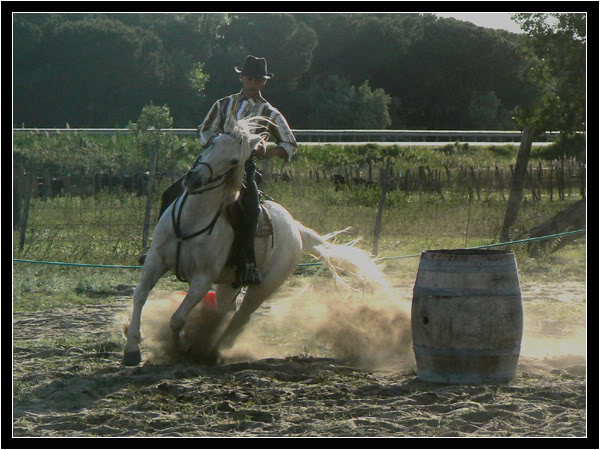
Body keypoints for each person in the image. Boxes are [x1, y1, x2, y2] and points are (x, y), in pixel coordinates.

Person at [145, 55, 297, 288]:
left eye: (257, 79)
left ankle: (248, 263)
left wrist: (264, 151)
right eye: (249, 77)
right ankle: (156, 247)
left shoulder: (270, 113)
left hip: (243, 171)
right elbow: (205, 129)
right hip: (211, 163)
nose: (252, 82)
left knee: (251, 208)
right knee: (170, 193)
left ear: (263, 82)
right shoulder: (222, 104)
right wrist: (218, 146)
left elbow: (290, 144)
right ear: (242, 77)